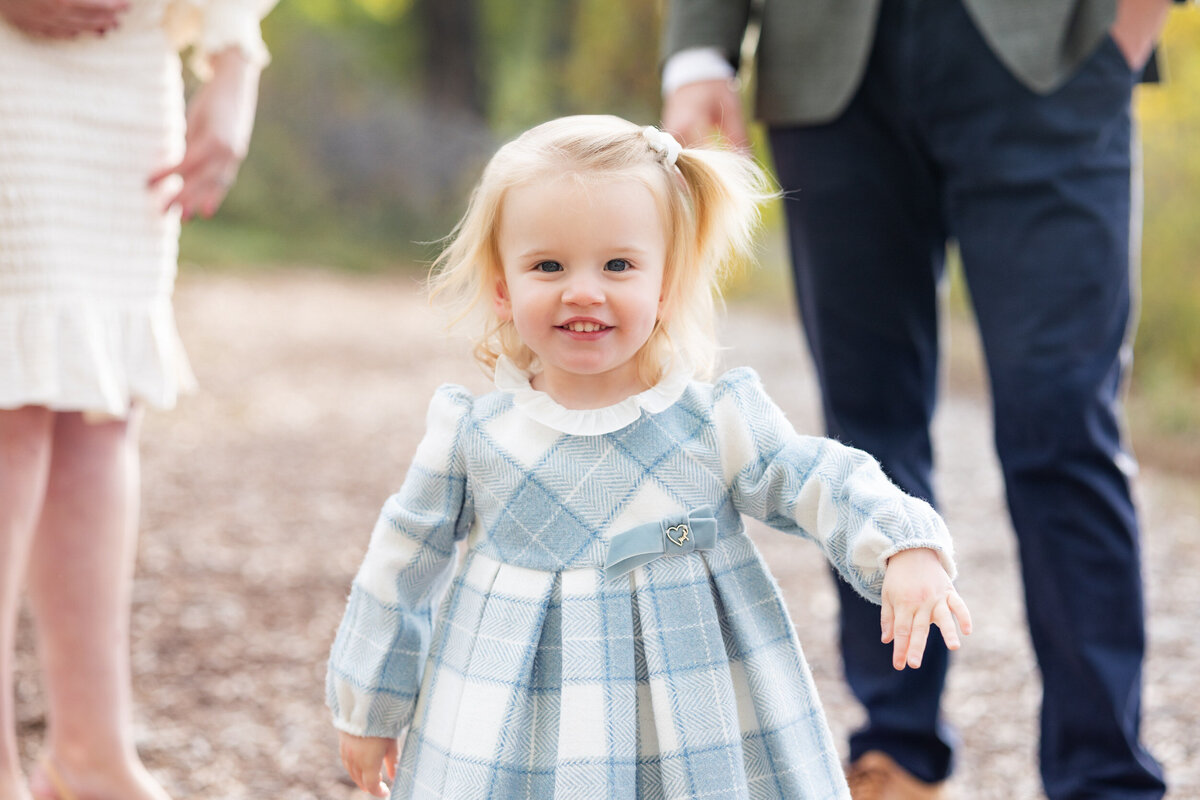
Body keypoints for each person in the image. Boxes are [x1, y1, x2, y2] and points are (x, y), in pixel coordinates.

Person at [325, 114, 973, 799]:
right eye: (548, 265)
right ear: (500, 287)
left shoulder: (711, 421)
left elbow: (814, 474)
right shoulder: (475, 435)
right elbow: (402, 564)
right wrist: (370, 704)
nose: (583, 290)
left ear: (664, 286)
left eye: (618, 265)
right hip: (515, 726)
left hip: (693, 720)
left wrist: (902, 544)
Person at [660, 0, 1178, 798]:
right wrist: (699, 53)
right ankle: (895, 749)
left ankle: (1102, 773)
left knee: (1064, 423)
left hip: (1054, 56)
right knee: (865, 428)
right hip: (828, 72)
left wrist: (1129, 31)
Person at [0, 1, 276, 798]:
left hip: (126, 67)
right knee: (7, 400)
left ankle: (91, 757)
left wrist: (233, 60)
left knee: (100, 400)